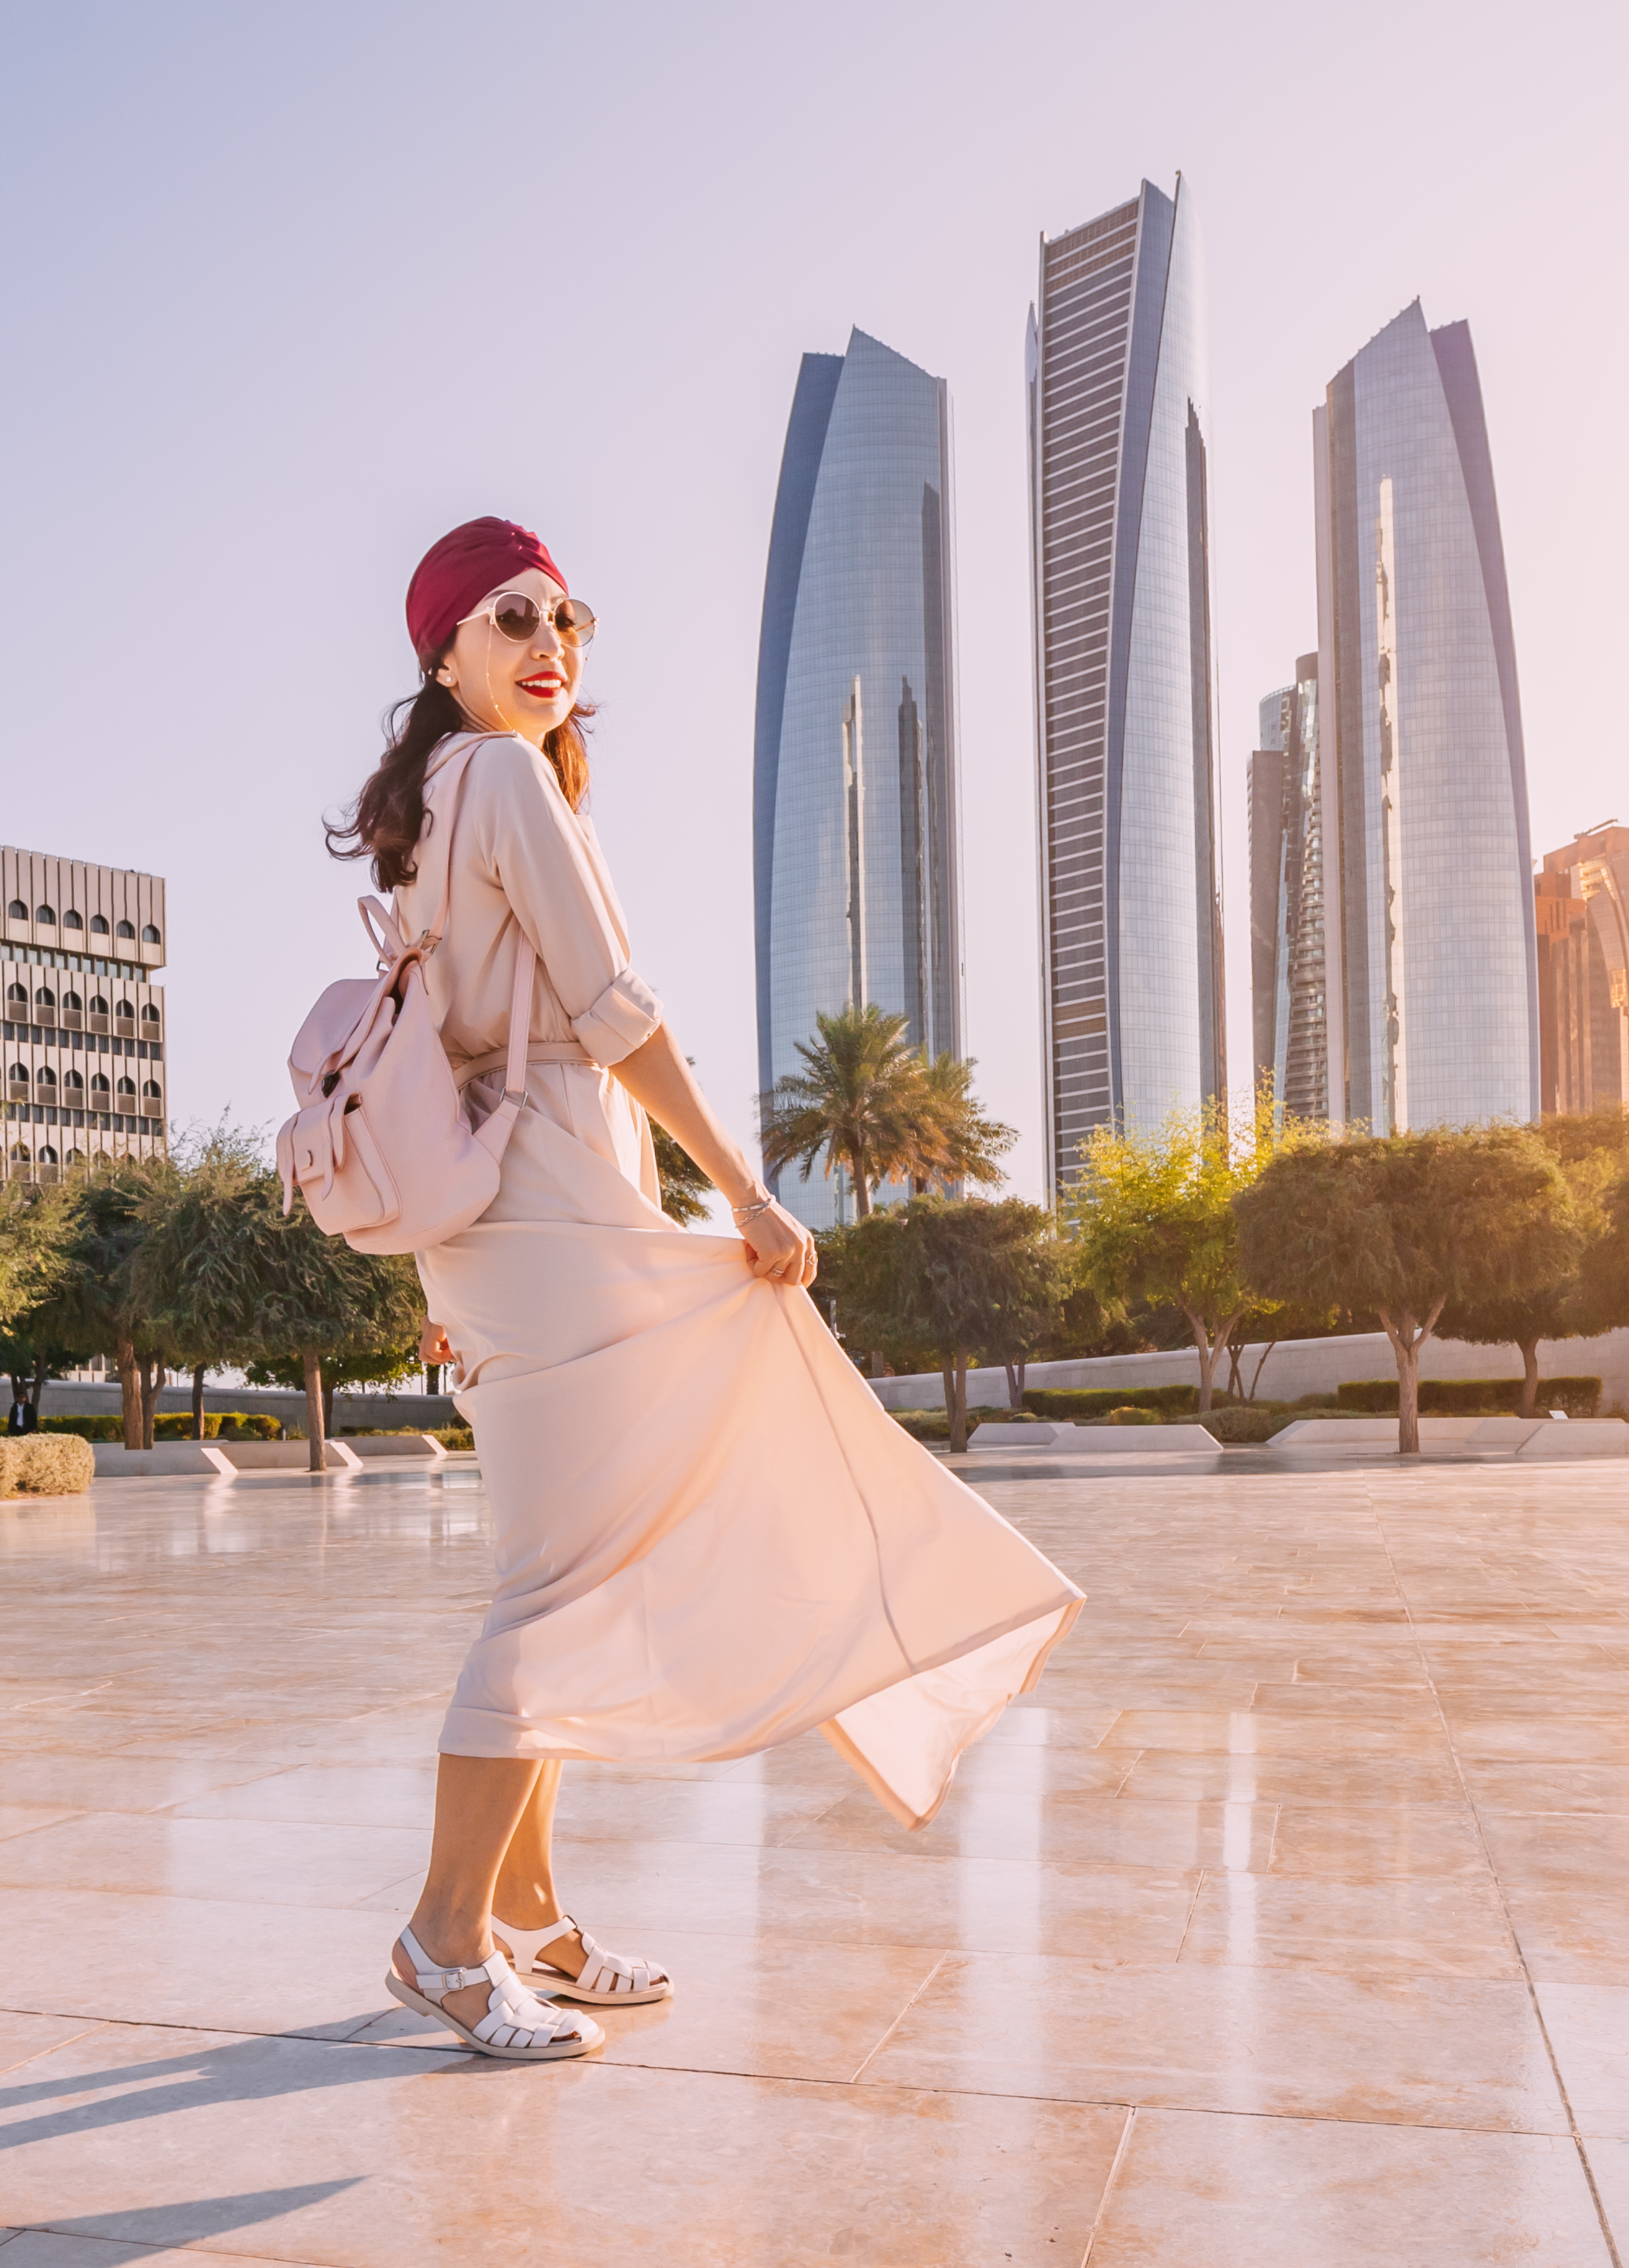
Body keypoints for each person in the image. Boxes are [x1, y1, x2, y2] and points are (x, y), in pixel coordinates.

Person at [331, 518, 1083, 2062]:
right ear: (446, 653)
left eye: (571, 619)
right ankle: (443, 1937)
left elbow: (440, 1068)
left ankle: (527, 1913)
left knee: (577, 1568)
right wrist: (741, 1186)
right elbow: (613, 1013)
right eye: (514, 617)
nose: (554, 643)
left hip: (511, 1224)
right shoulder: (506, 780)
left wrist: (452, 1268)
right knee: (553, 1586)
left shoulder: (431, 809)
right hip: (548, 1209)